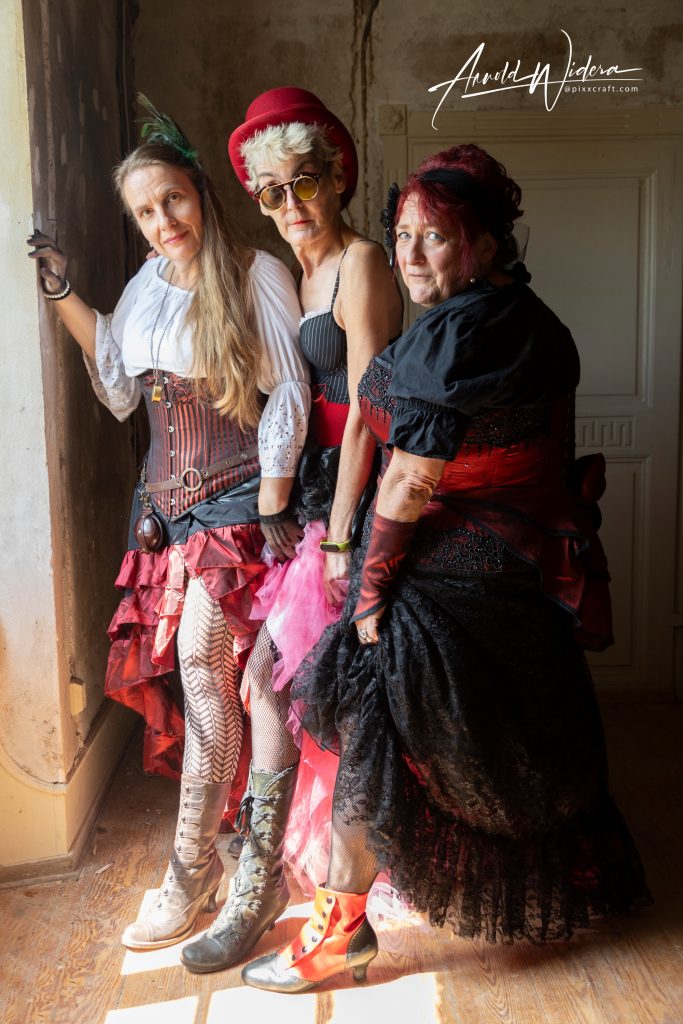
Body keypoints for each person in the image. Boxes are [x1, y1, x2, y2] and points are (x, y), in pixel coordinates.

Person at [240, 143, 652, 993]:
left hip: (456, 569)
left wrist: (370, 590)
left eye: (434, 236)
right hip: (514, 566)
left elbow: (409, 479)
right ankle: (393, 907)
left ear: (484, 244)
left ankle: (340, 931)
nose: (411, 254)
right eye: (402, 235)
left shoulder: (462, 332)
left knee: (373, 717)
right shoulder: (521, 316)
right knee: (501, 736)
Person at [26, 97, 310, 951]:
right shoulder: (146, 287)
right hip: (161, 516)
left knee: (202, 667)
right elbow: (119, 382)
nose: (163, 222)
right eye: (146, 212)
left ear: (200, 191)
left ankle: (189, 870)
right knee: (202, 687)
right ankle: (229, 851)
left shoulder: (255, 273)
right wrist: (63, 292)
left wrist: (272, 503)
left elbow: (289, 395)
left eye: (172, 200)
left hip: (235, 507)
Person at [179, 87, 403, 974]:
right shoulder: (292, 273)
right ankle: (279, 882)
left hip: (359, 504)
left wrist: (341, 537)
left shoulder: (361, 263)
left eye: (304, 182)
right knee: (273, 688)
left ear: (337, 176)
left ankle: (265, 891)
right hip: (311, 506)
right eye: (270, 192)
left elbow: (368, 414)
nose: (289, 204)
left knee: (272, 683)